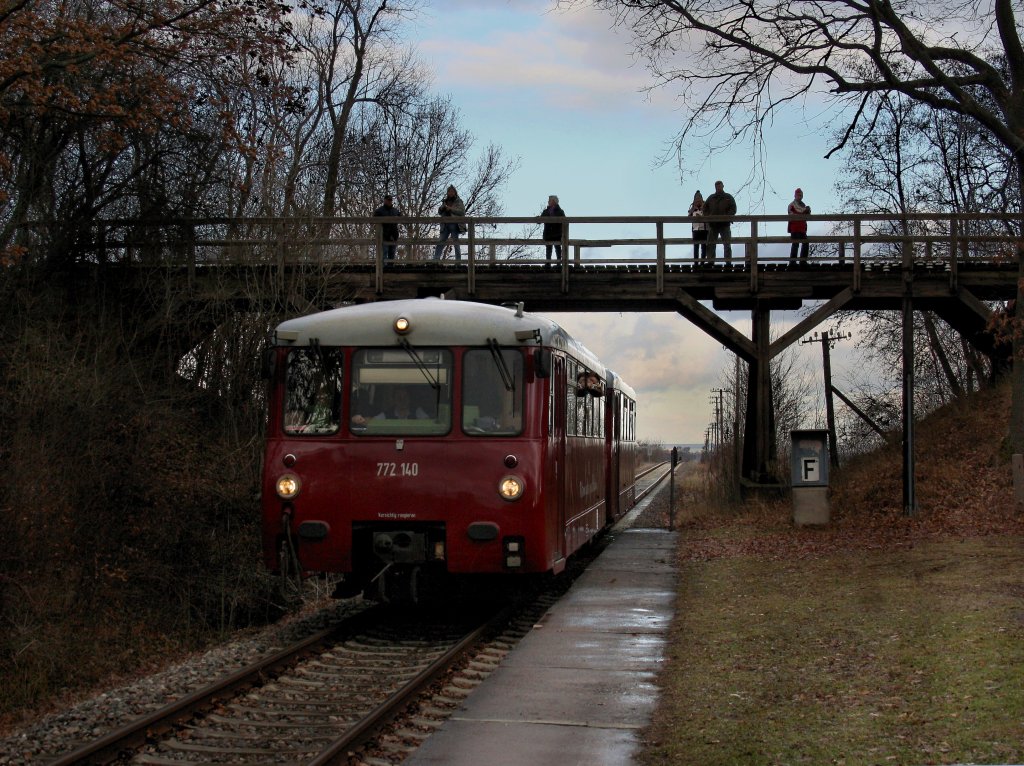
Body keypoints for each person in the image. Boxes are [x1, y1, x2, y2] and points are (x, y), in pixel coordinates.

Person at [703, 180, 737, 265]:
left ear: (723, 186)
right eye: (716, 186)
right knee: (710, 244)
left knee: (727, 244)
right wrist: (709, 217)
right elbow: (705, 208)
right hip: (713, 224)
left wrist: (727, 216)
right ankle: (710, 261)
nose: (718, 187)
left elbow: (733, 208)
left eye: (719, 185)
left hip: (725, 224)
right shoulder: (711, 198)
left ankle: (728, 262)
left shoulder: (728, 197)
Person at [433, 185, 466, 261]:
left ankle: (458, 261)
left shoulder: (458, 201)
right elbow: (440, 212)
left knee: (455, 242)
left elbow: (462, 212)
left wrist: (450, 209)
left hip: (454, 224)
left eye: (452, 191)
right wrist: (442, 208)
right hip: (445, 224)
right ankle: (436, 260)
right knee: (441, 241)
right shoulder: (445, 201)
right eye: (449, 191)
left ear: (455, 193)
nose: (450, 193)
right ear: (447, 193)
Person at [373, 193, 401, 261]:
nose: (389, 201)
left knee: (392, 254)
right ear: (384, 201)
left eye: (390, 200)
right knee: (384, 254)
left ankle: (391, 269)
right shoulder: (379, 211)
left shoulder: (395, 211)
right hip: (384, 235)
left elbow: (401, 218)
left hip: (393, 235)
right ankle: (383, 269)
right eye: (388, 200)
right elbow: (373, 220)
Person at [788, 188, 811, 265]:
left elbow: (806, 215)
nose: (800, 196)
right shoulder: (791, 205)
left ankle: (803, 261)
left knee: (806, 243)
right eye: (798, 195)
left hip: (802, 229)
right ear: (795, 195)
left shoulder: (803, 205)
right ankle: (792, 262)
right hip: (794, 228)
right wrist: (805, 211)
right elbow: (794, 213)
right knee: (795, 244)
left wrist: (808, 211)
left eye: (801, 195)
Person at [541, 195, 566, 262]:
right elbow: (540, 220)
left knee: (557, 248)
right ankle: (548, 263)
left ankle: (559, 263)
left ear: (553, 201)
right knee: (548, 249)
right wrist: (538, 219)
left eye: (549, 200)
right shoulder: (546, 211)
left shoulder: (560, 211)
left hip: (556, 234)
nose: (548, 202)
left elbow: (564, 221)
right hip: (548, 234)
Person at [688, 190, 707, 264]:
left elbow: (708, 214)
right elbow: (688, 217)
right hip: (695, 228)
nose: (698, 199)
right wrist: (693, 209)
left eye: (699, 197)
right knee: (696, 246)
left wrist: (702, 208)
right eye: (696, 198)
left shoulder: (705, 205)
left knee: (704, 246)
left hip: (704, 228)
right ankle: (696, 263)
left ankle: (703, 262)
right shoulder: (692, 207)